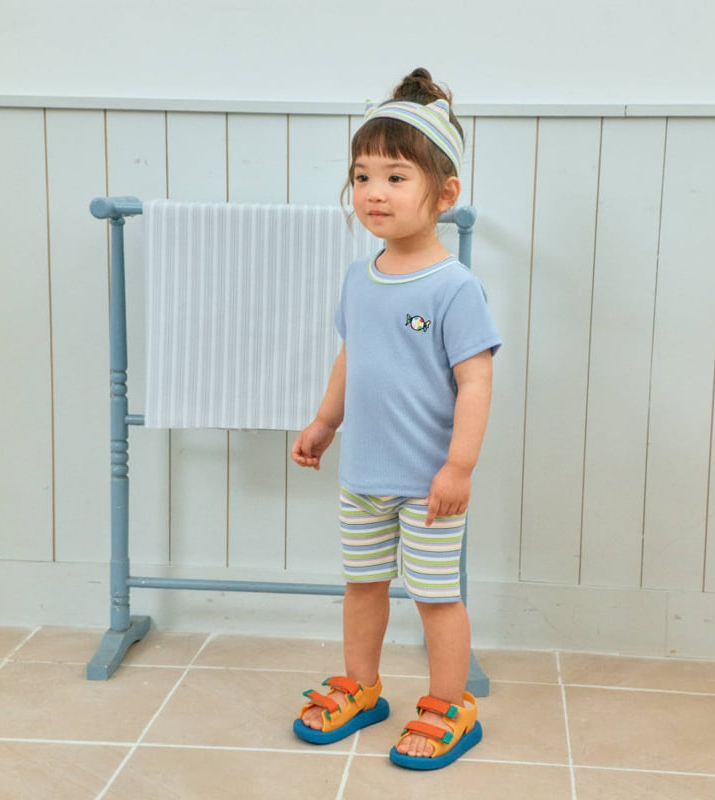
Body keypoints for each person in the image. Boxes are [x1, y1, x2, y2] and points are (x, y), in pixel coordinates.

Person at [290, 67, 500, 771]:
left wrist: (458, 467)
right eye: (362, 177)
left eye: (395, 177)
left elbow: (475, 381)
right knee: (363, 585)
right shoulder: (360, 277)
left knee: (436, 597)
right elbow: (353, 356)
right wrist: (325, 423)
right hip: (363, 476)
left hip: (428, 485)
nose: (373, 192)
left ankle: (449, 705)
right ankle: (362, 686)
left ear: (445, 194)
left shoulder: (454, 287)